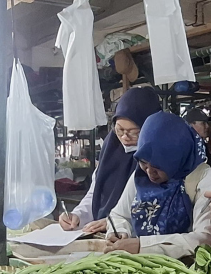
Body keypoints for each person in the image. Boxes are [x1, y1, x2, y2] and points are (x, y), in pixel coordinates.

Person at [105, 111, 211, 257]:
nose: (149, 173)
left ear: (175, 158)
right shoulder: (140, 177)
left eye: (158, 166)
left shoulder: (204, 178)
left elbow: (207, 239)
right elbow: (119, 215)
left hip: (186, 271)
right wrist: (118, 232)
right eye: (143, 163)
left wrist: (143, 246)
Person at [59, 86, 161, 233]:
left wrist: (118, 223)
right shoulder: (111, 148)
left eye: (134, 133)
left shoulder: (157, 158)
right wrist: (78, 215)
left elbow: (158, 208)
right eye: (119, 130)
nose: (125, 137)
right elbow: (96, 193)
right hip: (103, 235)